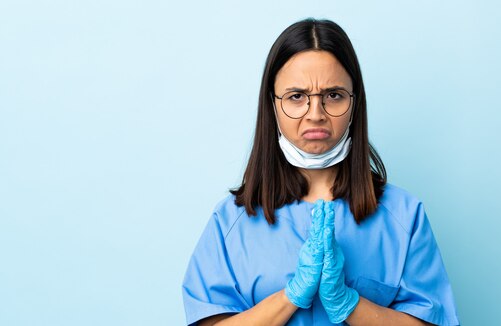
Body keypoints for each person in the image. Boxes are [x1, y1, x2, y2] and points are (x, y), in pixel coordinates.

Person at [182, 18, 461, 326]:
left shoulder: (404, 217)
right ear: (272, 105)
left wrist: (348, 303)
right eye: (296, 97)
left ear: (355, 104)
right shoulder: (230, 223)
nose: (316, 115)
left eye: (334, 95)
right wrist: (289, 298)